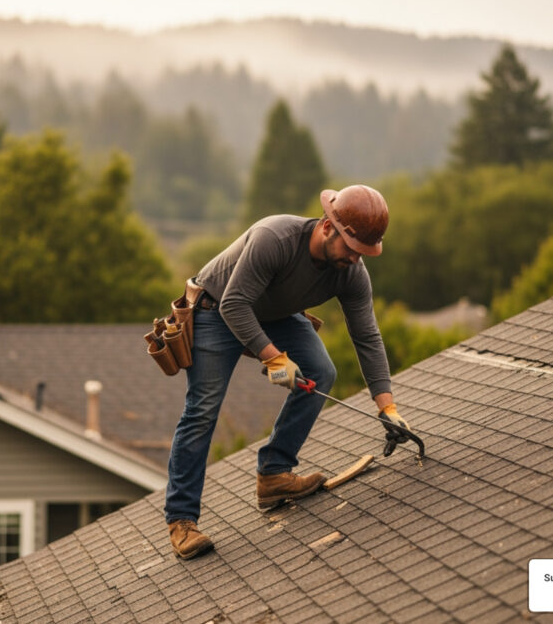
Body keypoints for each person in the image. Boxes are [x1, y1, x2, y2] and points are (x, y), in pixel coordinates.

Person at [165, 184, 413, 559]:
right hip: (216, 310)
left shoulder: (351, 272)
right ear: (328, 227)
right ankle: (181, 520)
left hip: (274, 314)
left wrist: (388, 407)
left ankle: (274, 475)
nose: (355, 259)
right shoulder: (275, 237)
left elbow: (367, 336)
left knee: (320, 372)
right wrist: (274, 360)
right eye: (351, 248)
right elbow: (234, 304)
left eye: (363, 253)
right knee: (202, 411)